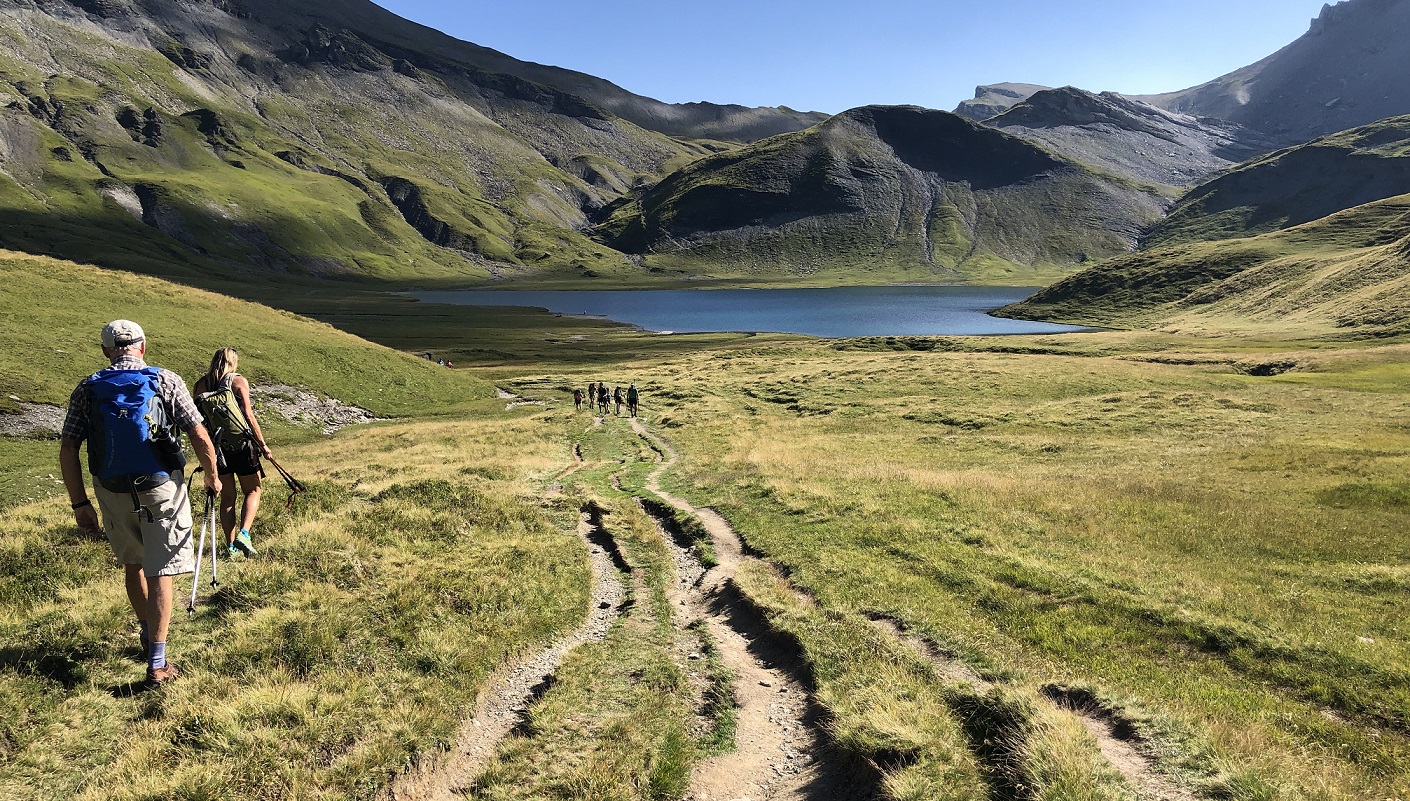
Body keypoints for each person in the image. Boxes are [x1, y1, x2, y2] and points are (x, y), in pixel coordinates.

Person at [59, 320, 221, 686]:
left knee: (133, 562)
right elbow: (198, 431)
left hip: (112, 489)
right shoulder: (166, 379)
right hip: (161, 486)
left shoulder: (88, 387)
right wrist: (211, 475)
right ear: (143, 347)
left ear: (105, 351)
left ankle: (147, 633)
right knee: (160, 570)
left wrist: (79, 503)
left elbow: (69, 446)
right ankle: (158, 662)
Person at [193, 348, 274, 560]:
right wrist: (263, 445)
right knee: (253, 490)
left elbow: (198, 422)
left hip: (217, 448)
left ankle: (231, 547)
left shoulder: (200, 386)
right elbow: (248, 414)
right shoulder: (237, 382)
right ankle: (244, 534)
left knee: (228, 498)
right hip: (242, 446)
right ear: (233, 362)